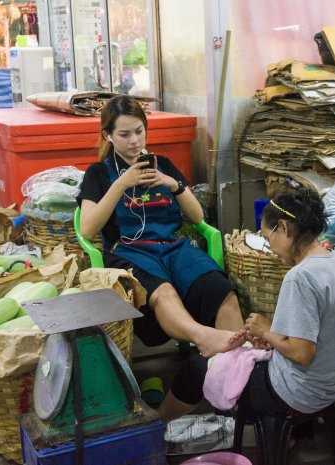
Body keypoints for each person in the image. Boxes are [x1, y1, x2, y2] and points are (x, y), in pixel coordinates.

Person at [158, 190, 335, 422]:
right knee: (237, 352)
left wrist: (265, 331)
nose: (270, 247)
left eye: (268, 237)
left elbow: (303, 353)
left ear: (284, 228)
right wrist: (273, 338)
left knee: (196, 369)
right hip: (334, 384)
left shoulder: (301, 277)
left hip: (299, 392)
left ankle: (154, 431)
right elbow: (320, 332)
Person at [76, 95, 243, 358]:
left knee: (221, 291)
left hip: (173, 248)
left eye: (139, 131)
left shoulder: (162, 164)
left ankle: (239, 368)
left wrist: (172, 184)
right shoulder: (98, 173)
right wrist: (120, 184)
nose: (134, 141)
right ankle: (205, 338)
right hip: (128, 252)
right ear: (108, 135)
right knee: (163, 293)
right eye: (124, 134)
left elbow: (197, 216)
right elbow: (86, 229)